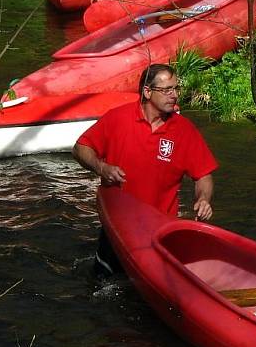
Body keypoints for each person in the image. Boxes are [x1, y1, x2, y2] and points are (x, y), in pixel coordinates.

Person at [72, 63, 218, 276]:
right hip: (117, 227)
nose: (174, 95)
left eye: (176, 88)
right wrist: (101, 167)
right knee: (103, 287)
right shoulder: (118, 118)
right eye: (166, 90)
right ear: (147, 92)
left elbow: (203, 175)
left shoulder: (185, 130)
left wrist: (204, 198)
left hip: (159, 232)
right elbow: (80, 148)